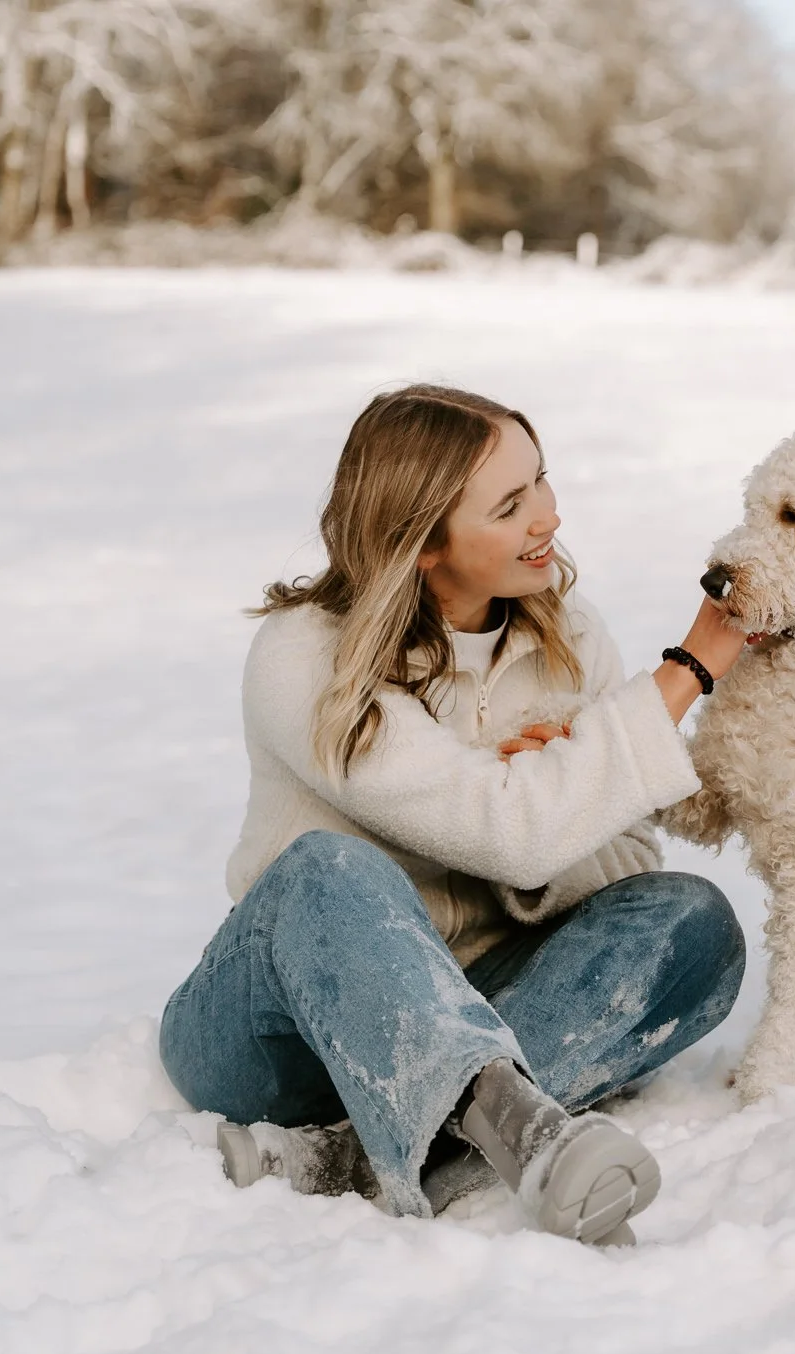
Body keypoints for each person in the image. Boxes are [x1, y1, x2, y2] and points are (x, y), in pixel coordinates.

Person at [159, 383, 750, 1247]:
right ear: (423, 544)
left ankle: (349, 1158)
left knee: (694, 922)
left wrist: (555, 813)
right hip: (285, 1033)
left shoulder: (572, 637)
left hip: (488, 998)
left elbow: (623, 855)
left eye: (541, 482)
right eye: (511, 506)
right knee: (330, 866)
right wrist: (687, 670)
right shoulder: (304, 657)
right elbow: (511, 827)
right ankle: (524, 1131)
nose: (548, 516)